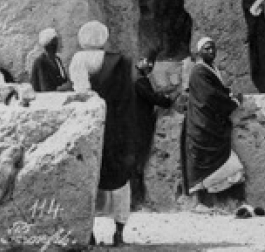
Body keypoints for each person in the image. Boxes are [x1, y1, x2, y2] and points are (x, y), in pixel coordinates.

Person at [70, 21, 136, 247]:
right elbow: (128, 97)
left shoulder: (79, 59)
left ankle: (88, 234)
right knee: (120, 180)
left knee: (87, 180)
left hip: (92, 127)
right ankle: (119, 232)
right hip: (117, 128)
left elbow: (82, 92)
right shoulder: (121, 61)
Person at [180, 36, 245, 203]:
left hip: (210, 123)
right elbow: (210, 96)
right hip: (201, 123)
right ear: (199, 52)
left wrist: (228, 94)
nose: (210, 51)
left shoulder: (210, 69)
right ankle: (199, 201)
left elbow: (218, 90)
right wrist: (233, 102)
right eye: (206, 48)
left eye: (212, 48)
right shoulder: (199, 71)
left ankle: (220, 201)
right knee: (202, 163)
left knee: (225, 163)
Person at [132, 49, 175, 208]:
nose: (148, 65)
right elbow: (152, 97)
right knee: (139, 161)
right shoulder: (140, 82)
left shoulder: (140, 81)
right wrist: (168, 100)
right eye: (145, 62)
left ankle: (136, 199)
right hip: (140, 125)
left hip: (137, 124)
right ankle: (136, 199)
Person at [30, 27, 71, 93]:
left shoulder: (57, 59)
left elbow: (64, 80)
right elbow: (45, 89)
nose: (61, 43)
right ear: (52, 43)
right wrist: (64, 87)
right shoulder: (40, 62)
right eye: (58, 40)